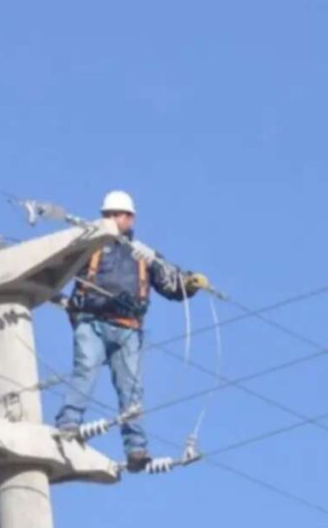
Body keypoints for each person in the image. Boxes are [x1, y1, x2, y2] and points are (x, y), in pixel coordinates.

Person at [55, 191, 210, 472]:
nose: (111, 219)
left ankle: (136, 449)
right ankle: (68, 424)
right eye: (107, 215)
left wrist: (190, 283)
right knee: (85, 370)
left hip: (128, 329)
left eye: (117, 214)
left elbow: (171, 283)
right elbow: (58, 270)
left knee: (131, 390)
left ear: (130, 218)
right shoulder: (89, 247)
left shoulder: (142, 254)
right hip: (92, 322)